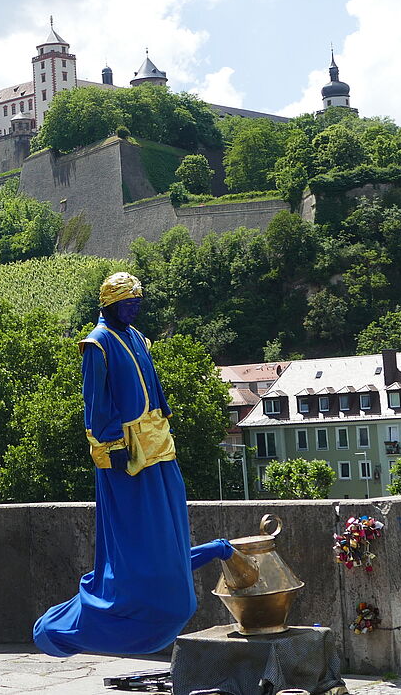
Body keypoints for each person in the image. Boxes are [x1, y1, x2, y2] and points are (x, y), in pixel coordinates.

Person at [34, 272, 235, 657]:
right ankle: (98, 620)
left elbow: (153, 388)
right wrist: (110, 449)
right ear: (110, 304)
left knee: (168, 529)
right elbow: (95, 404)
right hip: (127, 458)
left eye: (138, 302)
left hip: (159, 447)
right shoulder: (98, 343)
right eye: (129, 303)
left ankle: (169, 586)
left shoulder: (137, 336)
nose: (136, 308)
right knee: (141, 538)